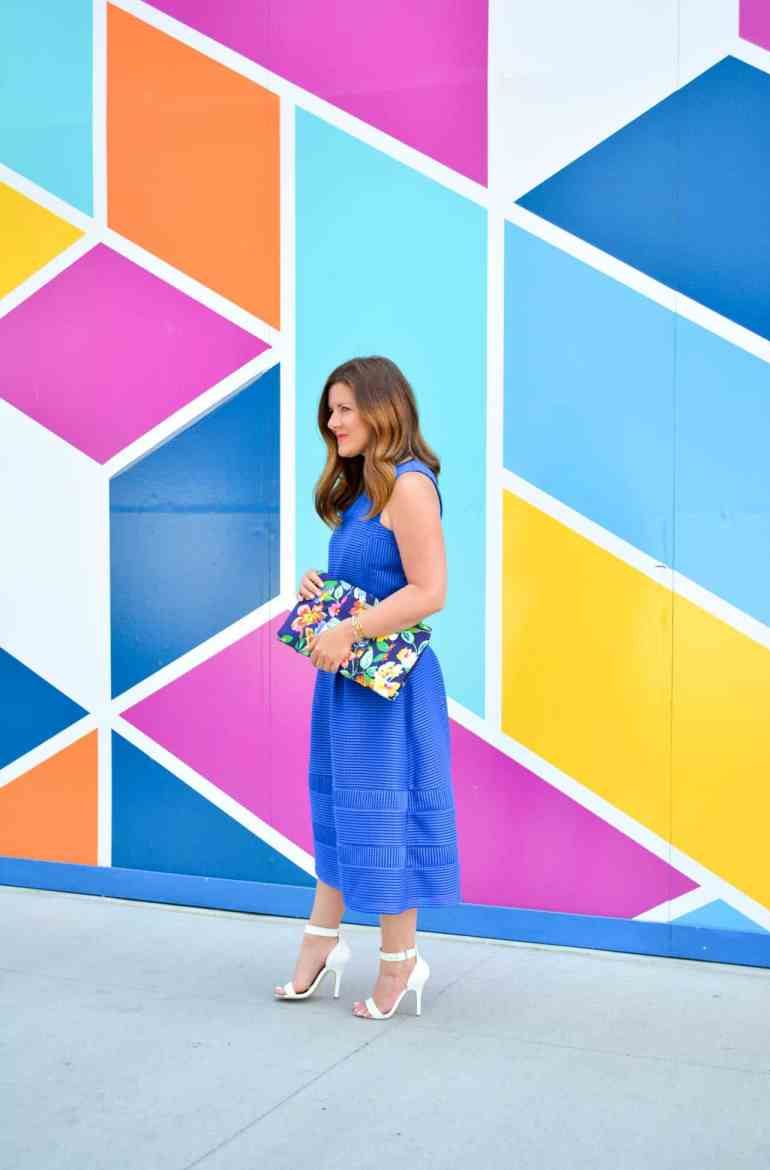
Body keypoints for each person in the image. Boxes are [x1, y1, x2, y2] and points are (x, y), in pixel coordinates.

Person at [274, 355, 461, 1019]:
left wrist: (348, 629)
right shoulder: (363, 493)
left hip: (393, 690)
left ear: (383, 408)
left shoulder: (410, 486)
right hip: (350, 686)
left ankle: (400, 961)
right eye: (330, 410)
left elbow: (430, 592)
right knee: (338, 810)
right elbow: (378, 584)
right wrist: (322, 592)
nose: (332, 422)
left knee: (387, 818)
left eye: (344, 409)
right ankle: (321, 943)